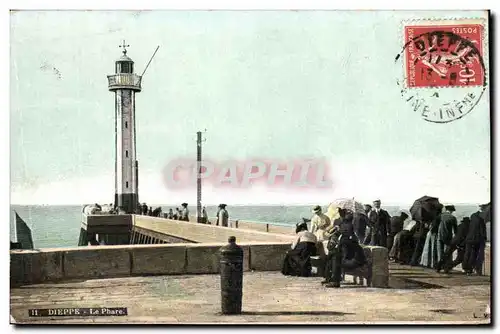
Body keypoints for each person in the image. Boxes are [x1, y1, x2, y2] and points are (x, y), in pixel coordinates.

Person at [463, 204, 488, 275]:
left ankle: (466, 268)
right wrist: (484, 239)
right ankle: (474, 269)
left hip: (469, 238)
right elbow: (482, 231)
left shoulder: (473, 216)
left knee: (467, 254)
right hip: (476, 239)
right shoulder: (481, 219)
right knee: (475, 255)